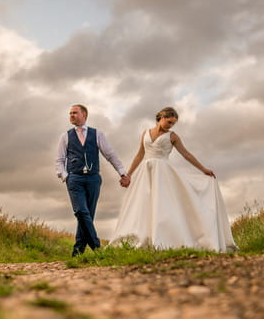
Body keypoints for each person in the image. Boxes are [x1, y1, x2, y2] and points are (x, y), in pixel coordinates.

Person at [110, 107, 237, 252]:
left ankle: (163, 238)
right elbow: (139, 155)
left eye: (173, 124)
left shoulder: (173, 136)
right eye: (169, 122)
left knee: (162, 205)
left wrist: (203, 169)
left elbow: (186, 154)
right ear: (161, 117)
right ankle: (145, 237)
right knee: (143, 204)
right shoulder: (145, 133)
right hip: (145, 171)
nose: (170, 125)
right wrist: (129, 174)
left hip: (163, 172)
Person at [55, 104, 130, 256]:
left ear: (84, 115)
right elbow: (59, 159)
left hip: (93, 178)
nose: (71, 115)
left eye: (74, 113)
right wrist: (64, 176)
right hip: (74, 178)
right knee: (81, 212)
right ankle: (97, 248)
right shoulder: (65, 136)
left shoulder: (97, 134)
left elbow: (110, 154)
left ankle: (77, 252)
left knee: (87, 214)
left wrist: (122, 173)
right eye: (70, 113)